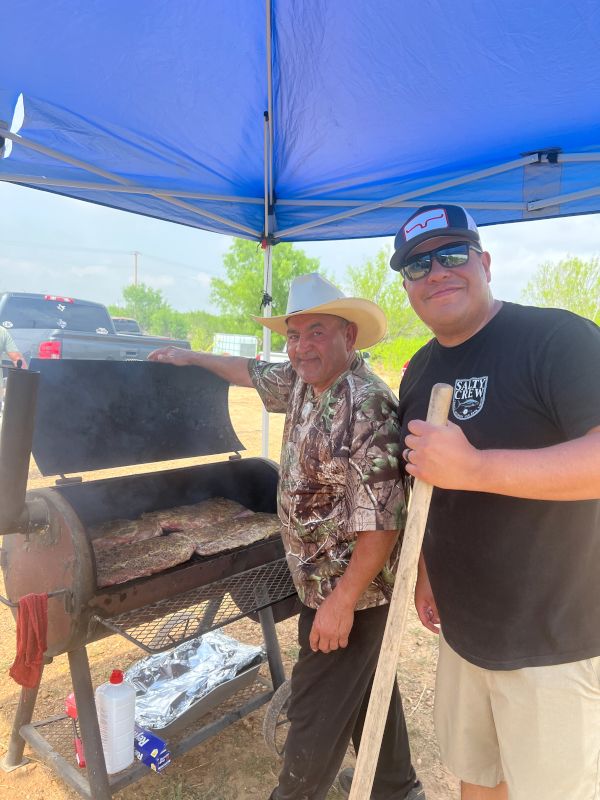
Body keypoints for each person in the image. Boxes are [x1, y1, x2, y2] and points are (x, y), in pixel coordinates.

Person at [149, 272, 424, 800]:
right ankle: (397, 787)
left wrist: (341, 603)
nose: (300, 347)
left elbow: (383, 521)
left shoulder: (366, 407)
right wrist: (193, 358)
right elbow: (250, 371)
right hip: (322, 584)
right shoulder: (303, 379)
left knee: (313, 717)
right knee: (365, 687)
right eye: (293, 335)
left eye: (316, 332)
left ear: (349, 334)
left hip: (352, 594)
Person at [389, 204, 600, 800]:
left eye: (452, 255)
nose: (437, 272)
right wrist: (427, 567)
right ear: (407, 287)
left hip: (554, 637)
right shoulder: (420, 370)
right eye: (417, 265)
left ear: (484, 262)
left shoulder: (559, 339)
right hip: (466, 629)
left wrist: (476, 467)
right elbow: (426, 484)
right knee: (478, 779)